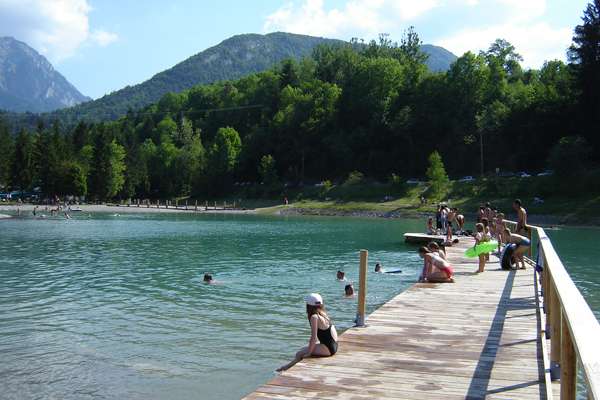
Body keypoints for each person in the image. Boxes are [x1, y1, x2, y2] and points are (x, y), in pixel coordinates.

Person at [277, 293, 338, 372]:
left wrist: (309, 353)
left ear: (308, 305)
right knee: (303, 349)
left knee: (299, 354)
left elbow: (314, 337)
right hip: (334, 346)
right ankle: (287, 367)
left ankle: (285, 369)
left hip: (327, 349)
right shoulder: (323, 314)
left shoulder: (314, 317)